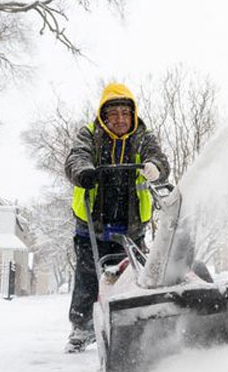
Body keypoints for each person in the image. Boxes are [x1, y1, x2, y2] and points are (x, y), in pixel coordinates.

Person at [63, 82, 170, 352]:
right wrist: (84, 171)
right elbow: (76, 158)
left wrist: (155, 168)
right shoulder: (89, 135)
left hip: (131, 223)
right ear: (103, 115)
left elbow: (159, 159)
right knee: (88, 277)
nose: (120, 119)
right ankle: (82, 327)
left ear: (132, 115)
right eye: (114, 114)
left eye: (125, 113)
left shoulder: (143, 137)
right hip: (92, 222)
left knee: (133, 276)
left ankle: (134, 322)